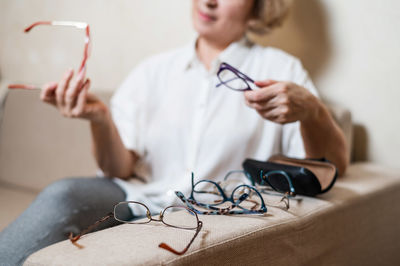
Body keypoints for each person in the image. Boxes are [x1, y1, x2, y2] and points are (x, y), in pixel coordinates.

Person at [0, 0, 348, 264]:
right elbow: (119, 169)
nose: (210, 0)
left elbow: (330, 168)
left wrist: (313, 112)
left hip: (212, 213)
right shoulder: (153, 71)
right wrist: (101, 121)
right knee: (63, 194)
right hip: (133, 199)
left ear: (257, 5)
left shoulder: (281, 70)